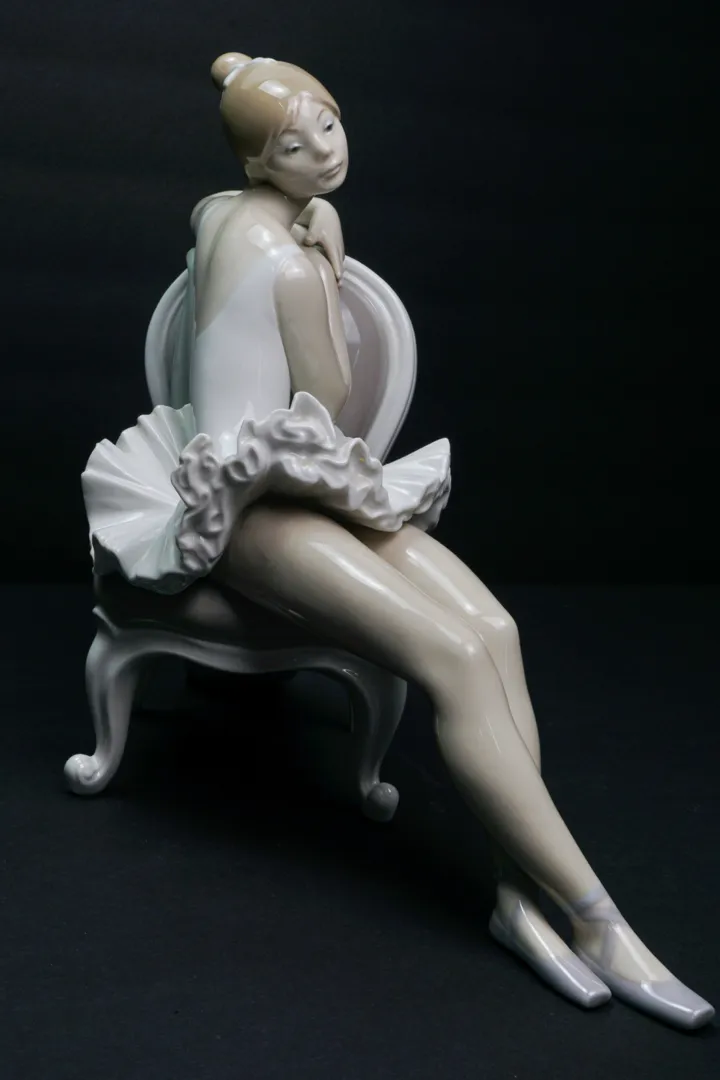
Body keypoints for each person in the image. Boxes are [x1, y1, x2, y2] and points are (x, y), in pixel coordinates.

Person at [82, 53, 713, 1029]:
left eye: (328, 124)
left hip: (281, 487)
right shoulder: (294, 268)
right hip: (241, 516)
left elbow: (216, 218)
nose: (325, 152)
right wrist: (325, 266)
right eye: (295, 145)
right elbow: (328, 405)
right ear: (258, 163)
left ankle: (518, 901)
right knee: (455, 656)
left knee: (496, 630)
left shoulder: (216, 214)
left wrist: (304, 208)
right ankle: (600, 920)